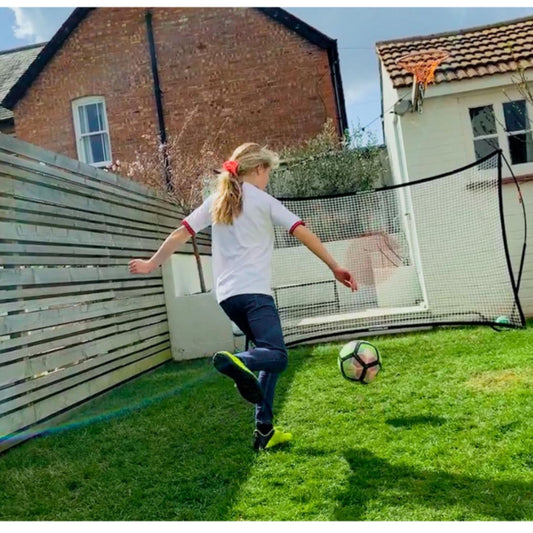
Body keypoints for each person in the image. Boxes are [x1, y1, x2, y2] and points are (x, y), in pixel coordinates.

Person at [128, 142, 357, 451]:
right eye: (268, 174)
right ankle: (237, 360)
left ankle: (264, 431)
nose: (268, 180)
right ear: (259, 169)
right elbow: (302, 231)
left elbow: (180, 233)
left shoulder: (217, 200)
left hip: (227, 298)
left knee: (268, 360)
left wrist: (152, 264)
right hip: (255, 295)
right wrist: (335, 265)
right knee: (277, 356)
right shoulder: (263, 201)